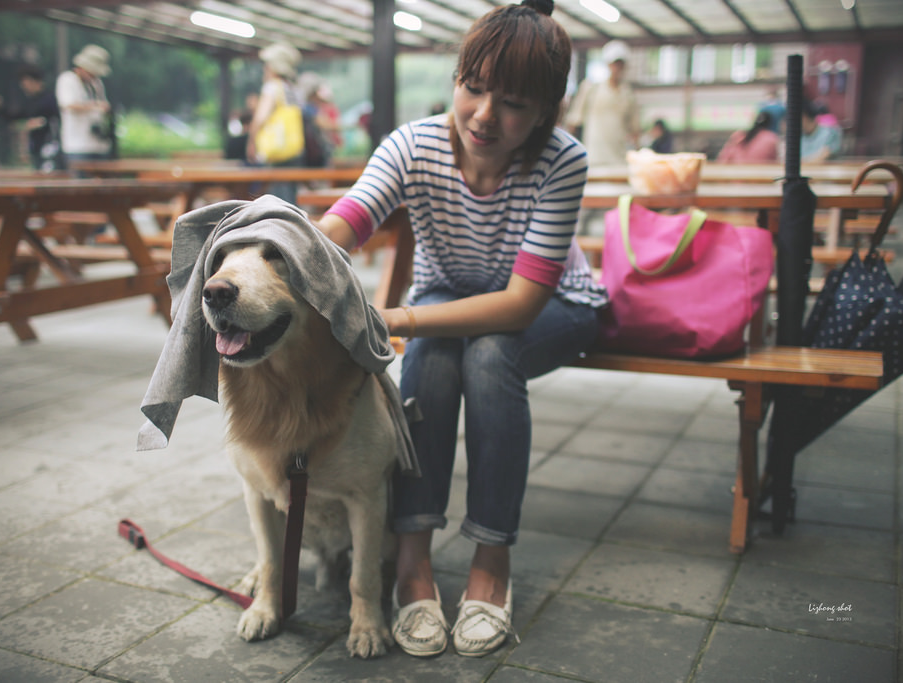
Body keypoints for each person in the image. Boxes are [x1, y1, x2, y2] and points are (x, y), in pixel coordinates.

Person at [317, 0, 606, 659]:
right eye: (472, 88)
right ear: (455, 80)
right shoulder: (413, 145)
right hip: (453, 292)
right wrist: (280, 247)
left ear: (543, 112)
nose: (483, 115)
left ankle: (491, 560)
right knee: (438, 360)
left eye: (511, 103)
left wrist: (400, 319)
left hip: (555, 302)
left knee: (488, 354)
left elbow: (518, 306)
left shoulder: (562, 160)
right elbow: (348, 222)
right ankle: (414, 560)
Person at [563, 39, 639, 167]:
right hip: (594, 159)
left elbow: (635, 131)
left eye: (620, 64)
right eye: (614, 63)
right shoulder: (591, 88)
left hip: (619, 161)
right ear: (608, 64)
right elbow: (574, 122)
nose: (617, 68)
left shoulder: (628, 94)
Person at [246, 43, 303, 203]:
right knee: (290, 196)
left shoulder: (272, 87)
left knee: (278, 200)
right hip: (294, 150)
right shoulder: (292, 89)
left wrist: (251, 142)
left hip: (277, 151)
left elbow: (260, 118)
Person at [0, 65, 63, 172]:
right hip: (36, 146)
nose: (23, 87)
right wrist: (1, 109)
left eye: (25, 83)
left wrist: (41, 123)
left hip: (51, 146)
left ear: (34, 81)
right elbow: (16, 116)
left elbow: (56, 119)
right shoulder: (30, 101)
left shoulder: (50, 98)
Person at [56, 44, 113, 168]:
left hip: (99, 145)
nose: (94, 76)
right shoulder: (67, 79)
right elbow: (68, 105)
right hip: (77, 146)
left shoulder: (96, 83)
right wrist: (95, 106)